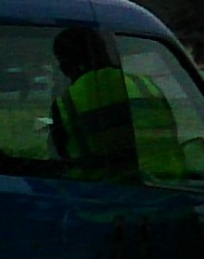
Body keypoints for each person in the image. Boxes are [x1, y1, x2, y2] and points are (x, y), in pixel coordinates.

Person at [48, 24, 142, 183]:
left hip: (99, 195)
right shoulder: (143, 85)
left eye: (61, 61)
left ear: (69, 63)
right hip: (170, 186)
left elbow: (60, 156)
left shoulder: (67, 103)